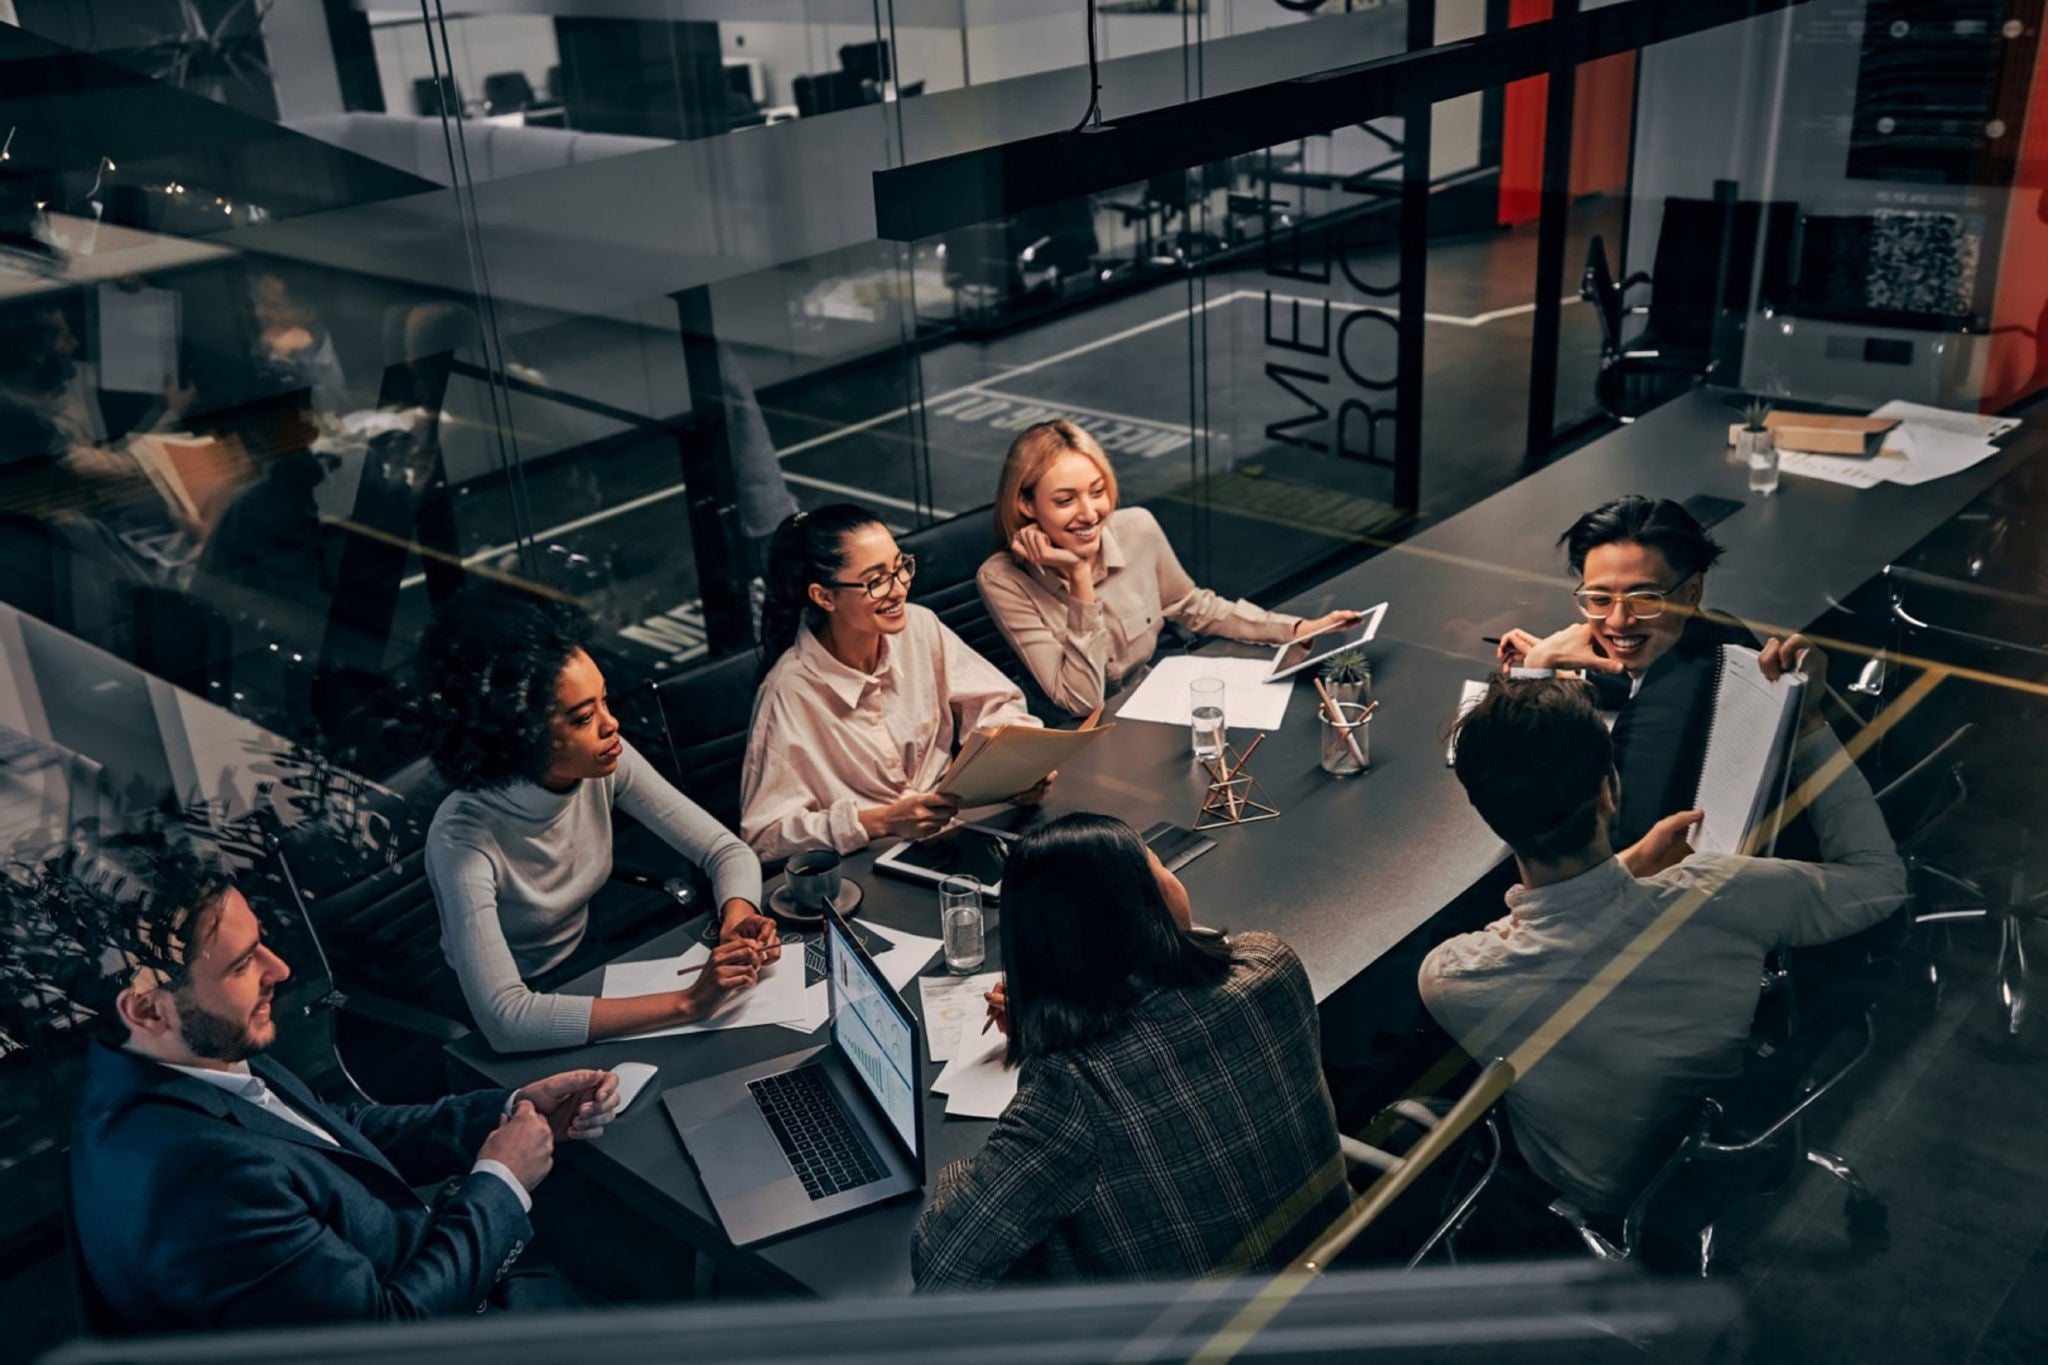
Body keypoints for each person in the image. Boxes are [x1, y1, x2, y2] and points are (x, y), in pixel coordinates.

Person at [1419, 677, 1904, 1217]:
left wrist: (1627, 865)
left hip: (1582, 1186)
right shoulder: (1718, 890)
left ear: (1489, 814)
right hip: (1714, 1146)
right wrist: (1811, 726)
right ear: (1608, 789)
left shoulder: (1452, 980)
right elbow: (1881, 882)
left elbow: (1559, 929)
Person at [69, 855, 619, 1329]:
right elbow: (387, 1335)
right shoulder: (197, 1183)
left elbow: (331, 1133)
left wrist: (504, 1111)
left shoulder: (192, 1055)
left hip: (457, 1273)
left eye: (260, 944)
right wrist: (502, 1181)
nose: (278, 969)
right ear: (146, 1008)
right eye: (241, 965)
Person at [912, 813, 1351, 1289]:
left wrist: (1053, 1014)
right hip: (1338, 1270)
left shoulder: (1068, 1090)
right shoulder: (1271, 964)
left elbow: (943, 1260)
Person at [421, 591, 777, 1053]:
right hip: (496, 1016)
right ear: (521, 735)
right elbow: (507, 1020)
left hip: (586, 965)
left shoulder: (605, 762)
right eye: (584, 717)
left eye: (605, 702)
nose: (612, 727)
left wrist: (738, 916)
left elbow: (725, 851)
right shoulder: (462, 839)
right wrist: (690, 1003)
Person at [1493, 494, 1823, 850]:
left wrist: (1537, 674)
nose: (1619, 621)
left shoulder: (1668, 710)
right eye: (1600, 599)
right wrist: (1572, 673)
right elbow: (1636, 682)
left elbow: (1555, 821)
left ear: (1692, 591)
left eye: (1645, 599)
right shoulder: (1714, 634)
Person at [976, 420, 1361, 716]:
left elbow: (1194, 607)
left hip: (1152, 709)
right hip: (1080, 743)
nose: (1090, 513)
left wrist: (1293, 630)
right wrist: (1079, 578)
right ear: (1026, 505)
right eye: (1065, 500)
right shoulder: (1002, 579)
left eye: (1097, 492)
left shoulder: (1136, 528)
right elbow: (1081, 701)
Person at [742, 503, 1048, 861]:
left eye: (900, 567)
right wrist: (877, 822)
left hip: (960, 832)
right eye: (875, 581)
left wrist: (1016, 766)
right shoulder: (787, 692)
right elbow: (763, 837)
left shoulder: (920, 626)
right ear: (824, 596)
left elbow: (997, 705)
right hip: (868, 864)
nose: (899, 589)